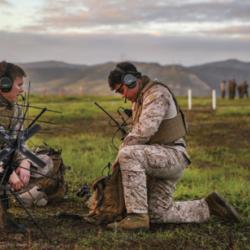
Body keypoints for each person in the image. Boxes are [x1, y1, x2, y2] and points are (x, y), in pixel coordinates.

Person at [106, 62, 240, 231]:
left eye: (121, 90)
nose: (123, 96)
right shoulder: (140, 100)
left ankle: (137, 218)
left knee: (128, 154)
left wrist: (120, 156)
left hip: (171, 155)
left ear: (131, 80)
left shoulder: (156, 94)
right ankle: (208, 206)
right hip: (159, 157)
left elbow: (145, 131)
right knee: (157, 213)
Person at [0, 61, 67, 232]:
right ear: (4, 84)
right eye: (19, 85)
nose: (22, 90)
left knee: (46, 161)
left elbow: (18, 142)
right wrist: (8, 174)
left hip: (6, 160)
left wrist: (24, 163)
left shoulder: (16, 110)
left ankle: (13, 197)